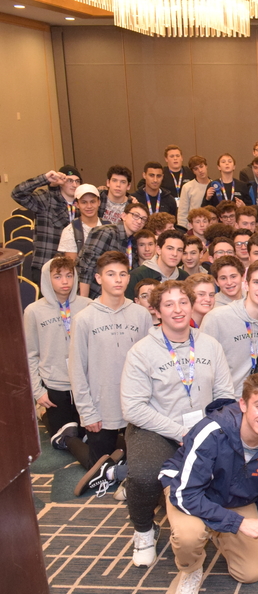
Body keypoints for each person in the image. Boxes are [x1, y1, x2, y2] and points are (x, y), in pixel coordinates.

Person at [120, 280, 236, 567]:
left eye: (183, 302)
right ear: (157, 312)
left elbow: (224, 394)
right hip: (156, 429)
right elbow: (133, 407)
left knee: (230, 467)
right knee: (145, 476)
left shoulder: (210, 344)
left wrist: (211, 427)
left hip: (203, 426)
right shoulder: (142, 352)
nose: (178, 309)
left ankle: (211, 521)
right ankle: (144, 529)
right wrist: (179, 432)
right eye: (168, 304)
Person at [160, 371, 258, 594]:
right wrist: (238, 523)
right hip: (191, 492)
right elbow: (185, 495)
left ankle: (215, 531)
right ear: (243, 404)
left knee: (250, 574)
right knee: (188, 537)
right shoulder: (211, 431)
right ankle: (191, 569)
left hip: (236, 498)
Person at [68, 251, 152, 491]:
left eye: (123, 274)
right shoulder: (84, 318)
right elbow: (77, 368)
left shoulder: (141, 314)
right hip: (100, 406)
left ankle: (120, 459)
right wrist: (87, 412)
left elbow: (150, 362)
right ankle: (70, 439)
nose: (118, 279)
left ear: (128, 278)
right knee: (97, 465)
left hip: (135, 402)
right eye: (111, 274)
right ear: (98, 278)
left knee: (142, 460)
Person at [25, 257, 92, 451]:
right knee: (66, 437)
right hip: (55, 385)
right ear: (47, 279)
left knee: (89, 432)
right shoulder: (34, 311)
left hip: (84, 384)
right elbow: (30, 354)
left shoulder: (87, 305)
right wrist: (38, 391)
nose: (65, 281)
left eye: (69, 275)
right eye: (57, 276)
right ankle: (44, 413)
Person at [200, 260, 258, 394]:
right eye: (256, 282)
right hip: (228, 402)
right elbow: (202, 369)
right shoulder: (216, 318)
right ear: (246, 285)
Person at [12, 165, 82, 282]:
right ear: (61, 182)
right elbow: (17, 193)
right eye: (69, 180)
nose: (74, 185)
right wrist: (45, 179)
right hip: (45, 265)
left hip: (71, 269)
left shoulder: (83, 206)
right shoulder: (45, 200)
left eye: (77, 181)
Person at [126, 229, 189, 299]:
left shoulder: (185, 277)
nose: (175, 254)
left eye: (179, 250)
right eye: (170, 248)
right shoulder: (138, 275)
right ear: (158, 249)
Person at [57, 183, 103, 261]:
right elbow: (72, 266)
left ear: (99, 202)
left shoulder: (109, 226)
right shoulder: (70, 231)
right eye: (84, 202)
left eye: (92, 201)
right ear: (77, 204)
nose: (89, 206)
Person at [176, 155, 211, 228]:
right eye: (196, 169)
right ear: (193, 171)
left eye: (201, 166)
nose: (200, 170)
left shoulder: (215, 185)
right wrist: (183, 230)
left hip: (210, 227)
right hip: (193, 229)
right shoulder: (187, 187)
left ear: (206, 166)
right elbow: (182, 213)